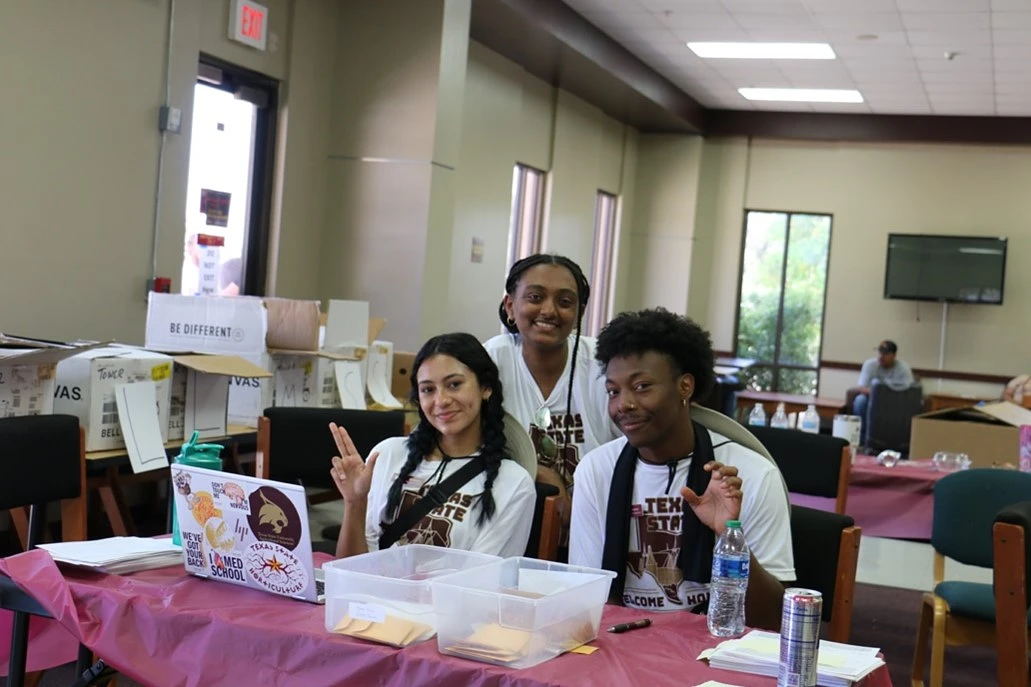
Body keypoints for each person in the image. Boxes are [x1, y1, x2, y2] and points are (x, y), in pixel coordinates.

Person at [569, 308, 794, 630]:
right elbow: (590, 600)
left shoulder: (751, 475)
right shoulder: (596, 470)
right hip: (625, 642)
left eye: (642, 386)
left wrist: (729, 534)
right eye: (613, 391)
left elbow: (771, 621)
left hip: (715, 648)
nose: (624, 404)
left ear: (685, 387)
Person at [329, 332, 536, 558]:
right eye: (428, 389)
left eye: (454, 384)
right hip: (369, 592)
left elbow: (480, 584)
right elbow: (350, 570)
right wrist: (354, 502)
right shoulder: (387, 454)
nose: (441, 401)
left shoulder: (514, 483)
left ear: (486, 387)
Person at [484, 254, 621, 526]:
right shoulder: (491, 361)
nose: (549, 310)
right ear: (510, 306)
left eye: (565, 302)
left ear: (580, 312)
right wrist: (543, 475)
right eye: (535, 297)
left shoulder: (605, 364)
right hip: (513, 519)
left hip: (601, 517)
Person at [853, 340, 915, 444]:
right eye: (880, 352)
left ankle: (896, 441)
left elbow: (909, 390)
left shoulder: (903, 368)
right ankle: (863, 439)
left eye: (885, 354)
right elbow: (861, 387)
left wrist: (886, 396)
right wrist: (879, 394)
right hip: (872, 399)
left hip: (894, 402)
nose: (881, 356)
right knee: (860, 401)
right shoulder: (870, 365)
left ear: (894, 355)